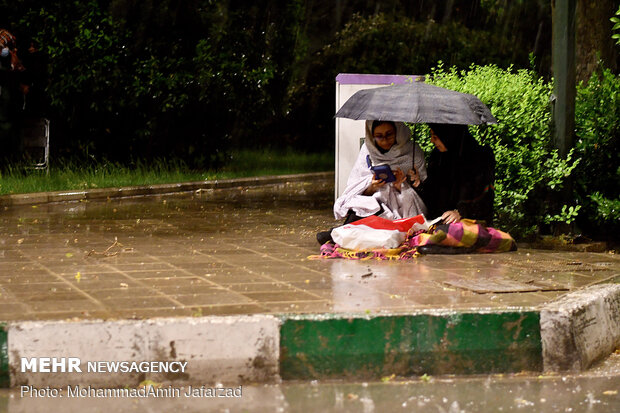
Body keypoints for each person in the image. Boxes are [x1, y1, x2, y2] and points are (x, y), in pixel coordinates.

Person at [317, 120, 427, 244]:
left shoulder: (413, 151)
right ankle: (341, 232)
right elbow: (357, 183)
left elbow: (423, 190)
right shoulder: (368, 150)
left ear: (398, 132)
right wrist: (373, 186)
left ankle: (338, 234)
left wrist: (401, 185)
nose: (385, 140)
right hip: (377, 200)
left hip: (402, 205)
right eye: (379, 136)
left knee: (376, 211)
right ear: (372, 136)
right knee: (365, 204)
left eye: (389, 134)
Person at [409, 123, 495, 226]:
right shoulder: (438, 157)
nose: (432, 141)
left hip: (471, 223)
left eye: (435, 137)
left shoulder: (479, 158)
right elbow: (434, 196)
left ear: (449, 136)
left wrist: (461, 212)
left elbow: (485, 197)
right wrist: (419, 184)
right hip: (441, 222)